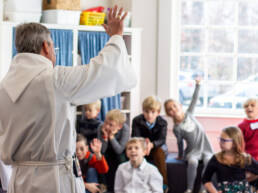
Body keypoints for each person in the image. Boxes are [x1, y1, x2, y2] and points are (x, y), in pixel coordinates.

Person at [0, 5, 137, 193]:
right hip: (52, 180)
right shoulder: (54, 80)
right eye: (53, 47)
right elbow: (105, 71)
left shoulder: (3, 86)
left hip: (19, 179)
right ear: (46, 47)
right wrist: (116, 37)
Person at [164, 79, 213, 193]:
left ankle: (203, 188)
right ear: (168, 114)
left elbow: (194, 99)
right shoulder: (177, 128)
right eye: (170, 110)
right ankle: (189, 188)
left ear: (180, 106)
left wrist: (197, 85)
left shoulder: (189, 114)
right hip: (193, 150)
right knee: (192, 162)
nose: (173, 110)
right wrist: (180, 155)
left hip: (205, 147)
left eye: (174, 106)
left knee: (208, 161)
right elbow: (180, 142)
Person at [202, 126, 258, 193]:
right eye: (220, 139)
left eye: (224, 140)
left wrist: (248, 181)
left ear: (234, 143)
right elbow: (206, 179)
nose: (220, 142)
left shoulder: (245, 158)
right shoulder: (216, 158)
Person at [132, 96, 168, 192]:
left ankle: (163, 184)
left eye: (153, 112)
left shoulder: (162, 122)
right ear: (142, 111)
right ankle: (137, 184)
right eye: (146, 111)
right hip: (141, 146)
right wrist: (144, 145)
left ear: (158, 113)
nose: (149, 115)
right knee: (134, 152)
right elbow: (135, 137)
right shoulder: (136, 120)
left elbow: (162, 140)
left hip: (156, 147)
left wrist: (151, 145)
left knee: (159, 152)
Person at [97, 109, 130, 192]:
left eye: (111, 125)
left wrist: (111, 137)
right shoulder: (101, 127)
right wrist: (105, 137)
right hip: (107, 152)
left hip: (120, 153)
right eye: (106, 122)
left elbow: (119, 150)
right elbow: (102, 150)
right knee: (101, 160)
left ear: (119, 126)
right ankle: (104, 187)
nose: (107, 126)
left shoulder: (125, 129)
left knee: (120, 159)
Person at [238, 98, 258, 190]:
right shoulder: (241, 126)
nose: (249, 107)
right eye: (246, 106)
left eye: (252, 105)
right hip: (248, 159)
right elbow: (239, 145)